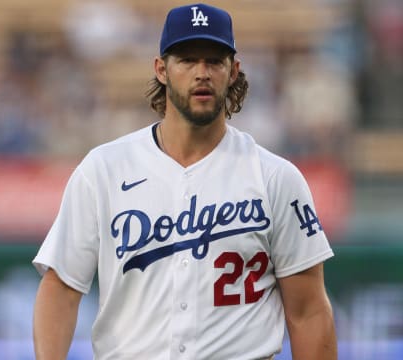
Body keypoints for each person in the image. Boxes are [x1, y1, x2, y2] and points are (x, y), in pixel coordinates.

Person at [32, 3, 337, 359]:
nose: (202, 72)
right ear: (161, 69)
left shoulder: (275, 178)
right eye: (187, 60)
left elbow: (309, 312)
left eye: (214, 60)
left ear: (234, 71)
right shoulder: (104, 169)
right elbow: (61, 287)